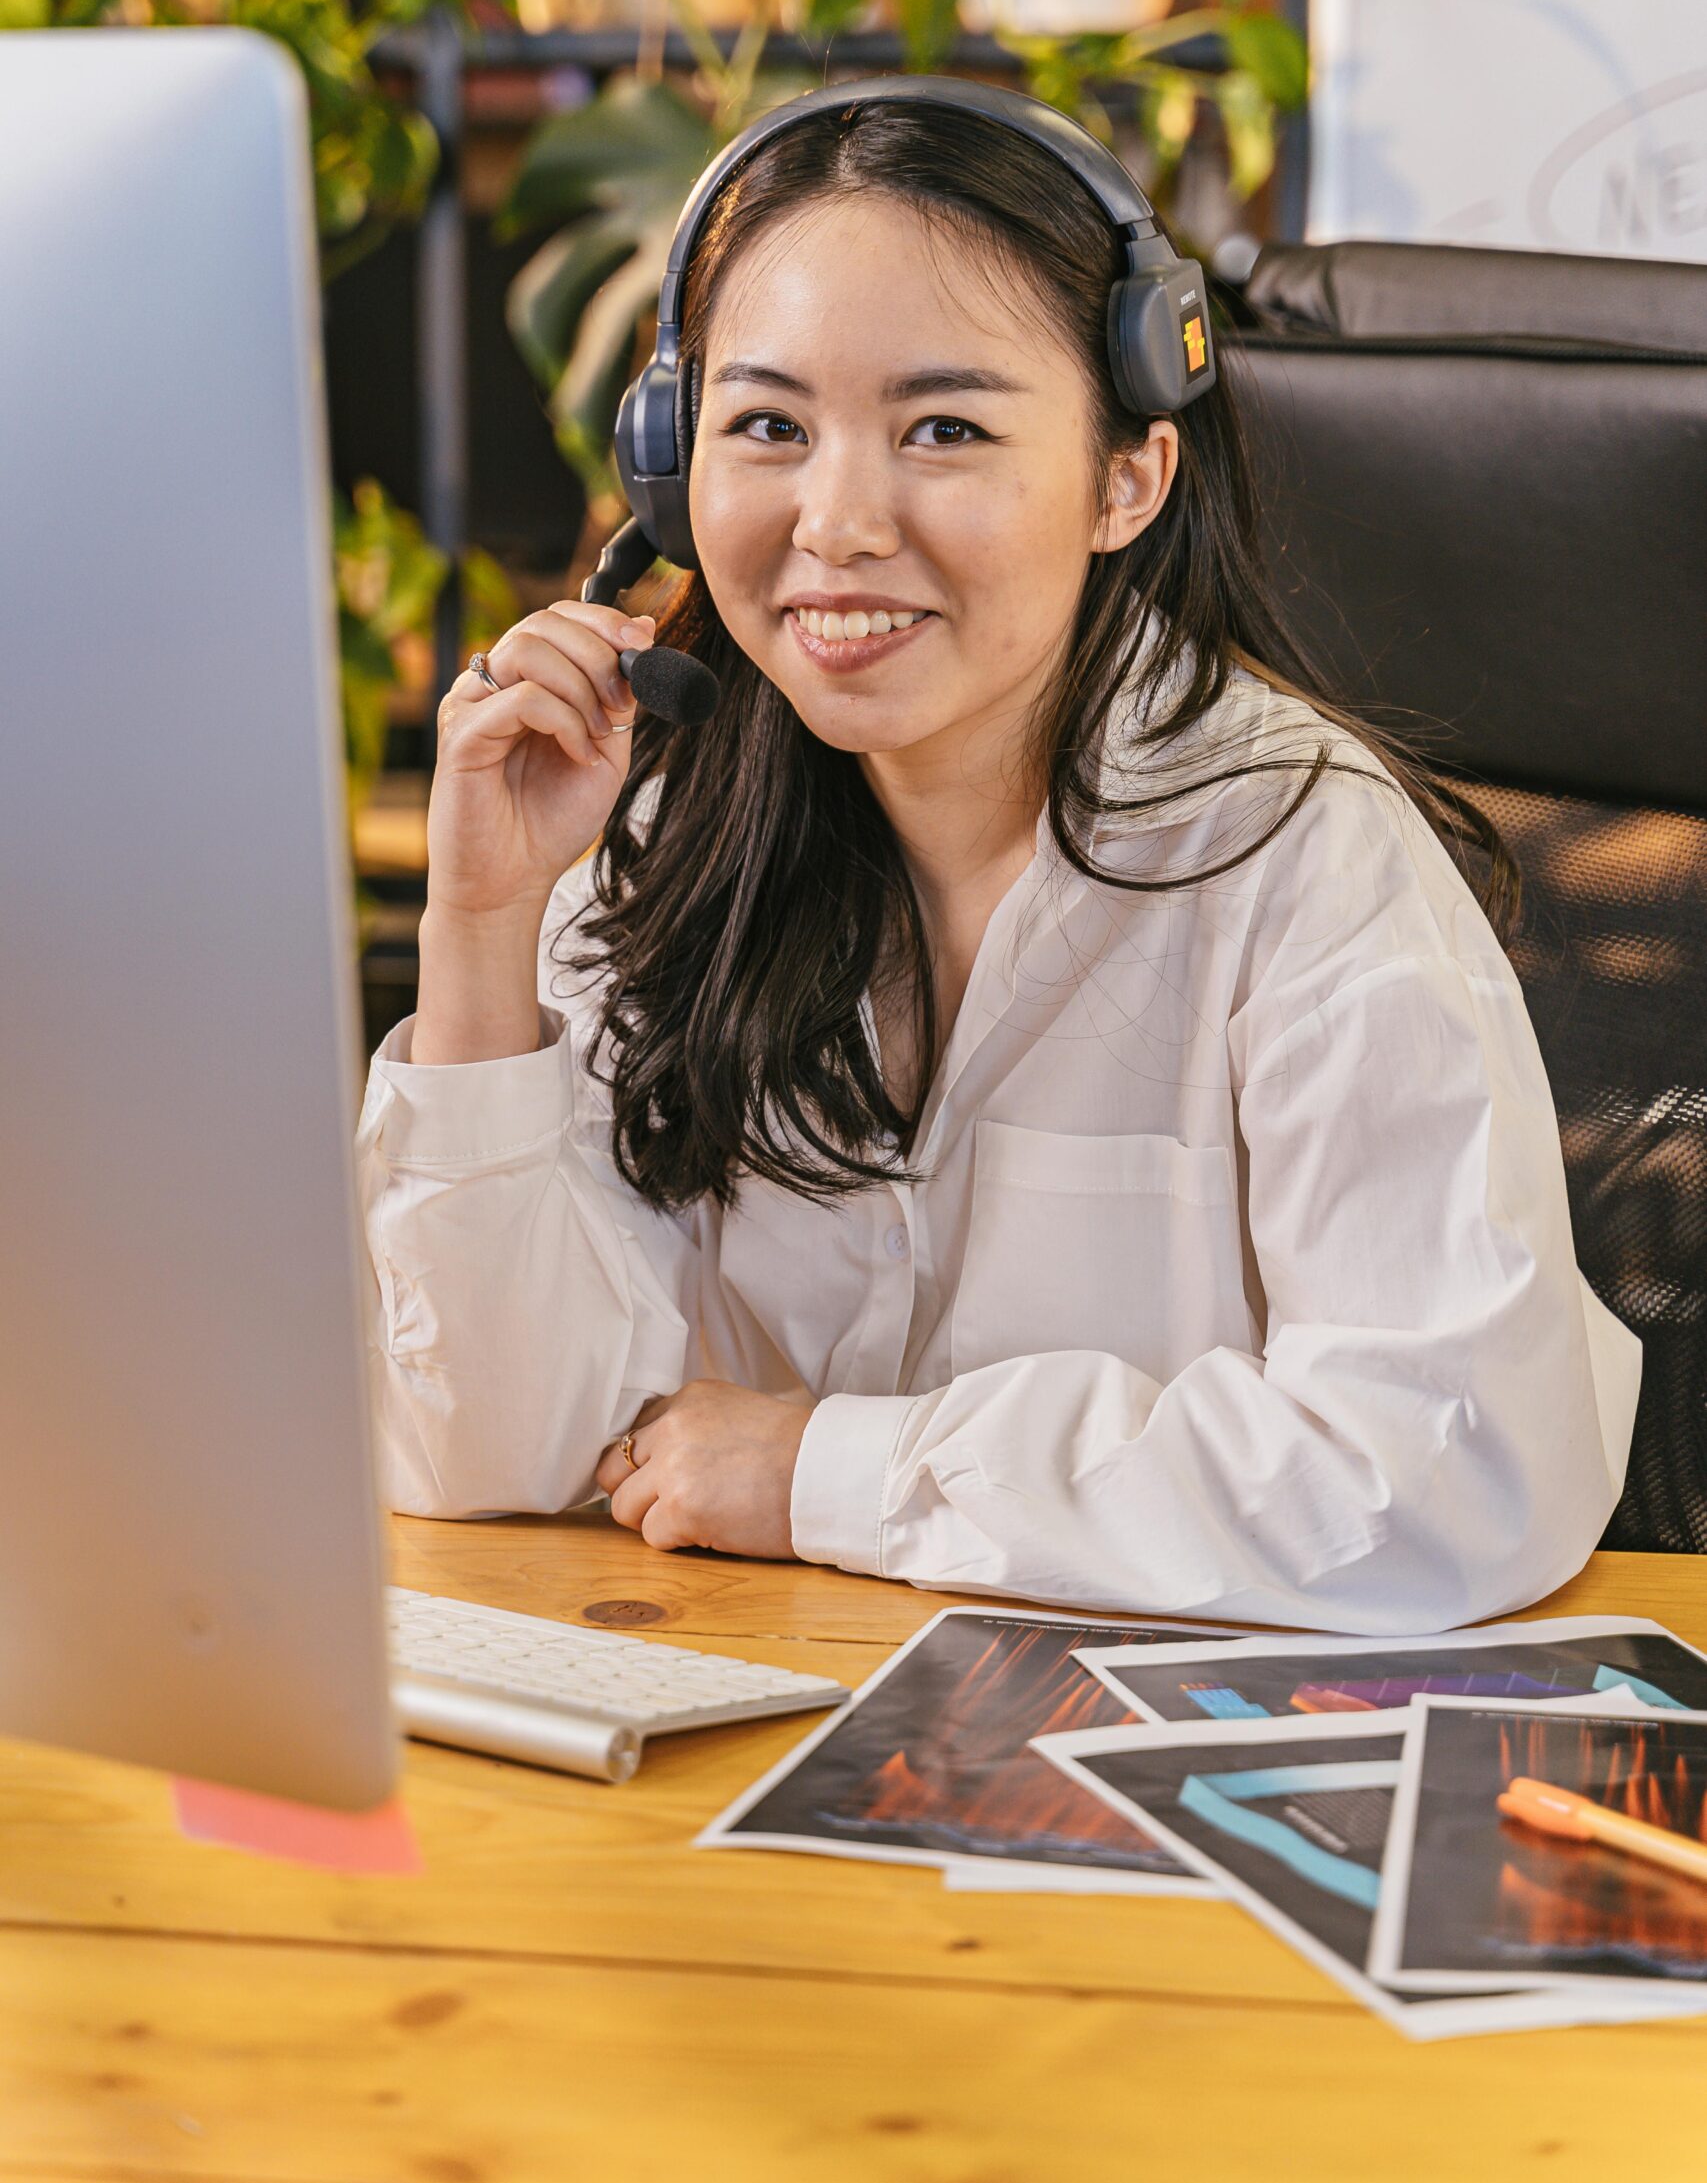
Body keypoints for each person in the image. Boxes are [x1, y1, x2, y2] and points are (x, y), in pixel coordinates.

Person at [354, 90, 1640, 1632]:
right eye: (767, 427)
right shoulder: (666, 833)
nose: (833, 522)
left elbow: (1454, 1472)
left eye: (944, 429)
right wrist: (484, 929)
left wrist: (824, 1473)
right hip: (746, 1728)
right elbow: (488, 1450)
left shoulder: (1300, 859)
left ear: (1128, 479)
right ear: (667, 470)